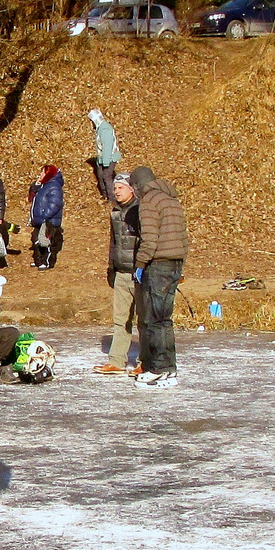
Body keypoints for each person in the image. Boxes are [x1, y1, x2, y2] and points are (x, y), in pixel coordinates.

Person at [126, 166, 188, 389]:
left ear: (138, 186)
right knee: (165, 319)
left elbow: (150, 240)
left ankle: (159, 368)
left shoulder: (149, 202)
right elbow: (183, 237)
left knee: (154, 319)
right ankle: (168, 366)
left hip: (158, 265)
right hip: (174, 263)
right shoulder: (171, 200)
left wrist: (140, 264)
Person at [94, 170, 141, 377]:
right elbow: (114, 244)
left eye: (120, 188)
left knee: (144, 321)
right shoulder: (115, 213)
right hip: (122, 273)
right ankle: (116, 361)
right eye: (114, 188)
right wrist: (111, 268)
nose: (116, 191)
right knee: (121, 319)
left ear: (131, 189)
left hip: (140, 273)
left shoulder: (141, 211)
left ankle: (144, 361)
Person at [28, 164, 64, 269]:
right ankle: (38, 261)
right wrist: (36, 185)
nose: (40, 174)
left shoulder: (54, 187)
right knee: (36, 240)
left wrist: (45, 215)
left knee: (46, 242)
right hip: (39, 219)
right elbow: (32, 197)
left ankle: (47, 262)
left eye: (43, 172)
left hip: (49, 220)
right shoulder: (43, 186)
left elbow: (55, 203)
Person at [87, 109, 121, 198]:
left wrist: (106, 162)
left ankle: (112, 198)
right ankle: (105, 196)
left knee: (107, 177)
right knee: (101, 175)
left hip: (110, 158)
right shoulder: (100, 128)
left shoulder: (105, 129)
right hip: (103, 158)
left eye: (91, 121)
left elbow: (107, 146)